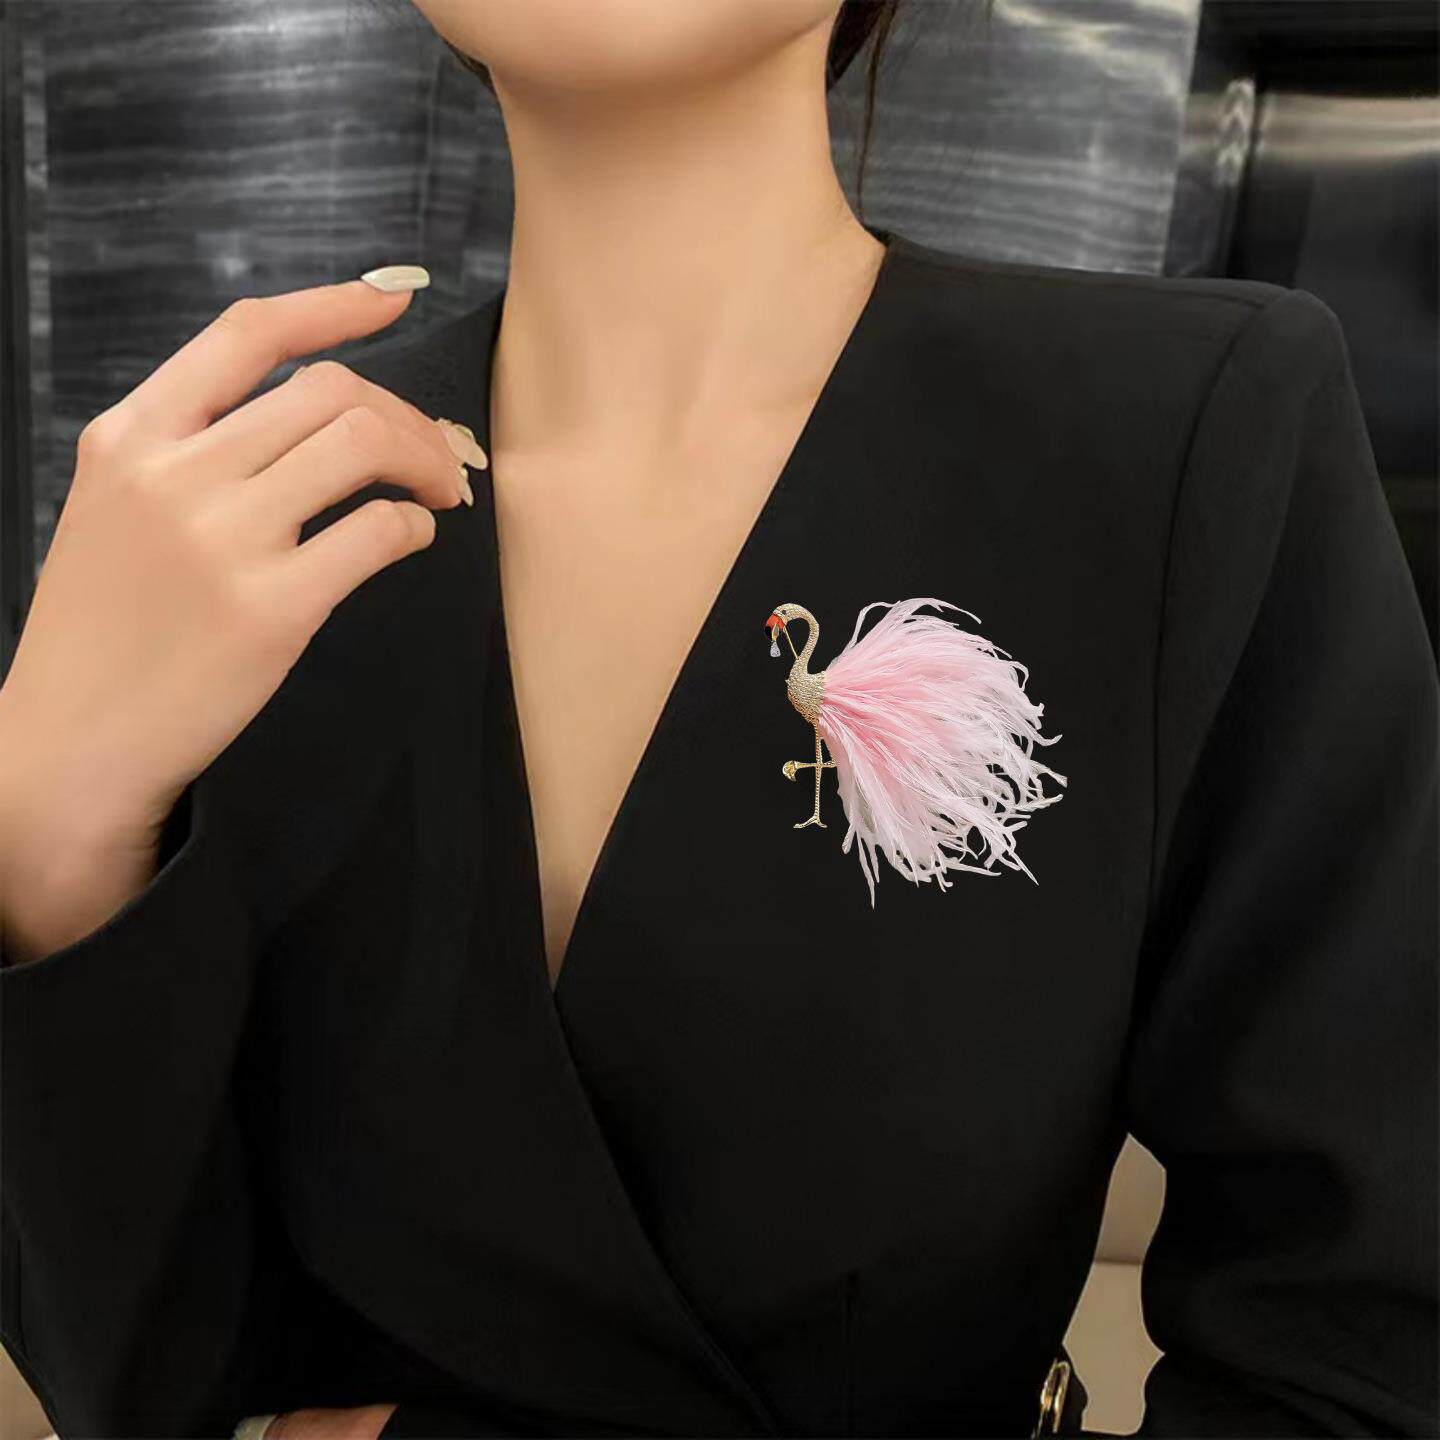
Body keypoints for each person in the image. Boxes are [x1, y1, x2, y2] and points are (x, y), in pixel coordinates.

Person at [0, 1, 1435, 1437]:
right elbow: (161, 1378)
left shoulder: (1176, 439)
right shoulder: (258, 533)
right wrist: (46, 838)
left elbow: (1362, 1359)